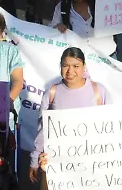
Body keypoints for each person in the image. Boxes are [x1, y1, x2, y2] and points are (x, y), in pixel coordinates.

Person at [29, 48, 112, 182]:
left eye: (76, 66)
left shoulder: (99, 90)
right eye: (65, 65)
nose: (70, 71)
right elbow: (43, 129)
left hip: (93, 161)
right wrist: (34, 159)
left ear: (84, 67)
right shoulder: (52, 92)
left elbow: (112, 126)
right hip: (60, 161)